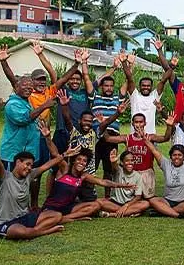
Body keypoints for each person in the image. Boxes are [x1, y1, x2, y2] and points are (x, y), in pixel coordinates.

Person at [0, 71, 56, 209]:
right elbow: (24, 119)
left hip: (27, 152)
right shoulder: (12, 104)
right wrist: (44, 106)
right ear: (16, 87)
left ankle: (26, 208)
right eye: (25, 86)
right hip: (13, 154)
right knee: (10, 184)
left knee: (24, 182)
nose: (28, 88)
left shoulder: (25, 101)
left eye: (30, 87)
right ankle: (7, 214)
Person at [59, 91, 129, 202]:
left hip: (88, 175)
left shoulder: (94, 134)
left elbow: (105, 124)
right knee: (69, 201)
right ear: (79, 121)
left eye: (90, 121)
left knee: (90, 201)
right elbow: (67, 119)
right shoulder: (74, 132)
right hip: (73, 172)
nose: (87, 123)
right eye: (85, 121)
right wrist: (64, 105)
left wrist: (118, 113)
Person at [0, 137, 65, 240]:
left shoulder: (29, 176)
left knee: (57, 215)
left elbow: (46, 166)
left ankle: (34, 232)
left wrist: (64, 155)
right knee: (22, 232)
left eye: (31, 165)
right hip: (6, 222)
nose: (29, 168)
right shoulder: (5, 177)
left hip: (25, 218)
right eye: (27, 164)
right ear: (18, 162)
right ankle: (45, 231)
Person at [43, 146, 135, 223]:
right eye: (79, 159)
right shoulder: (65, 170)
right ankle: (66, 218)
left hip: (68, 208)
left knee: (95, 206)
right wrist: (47, 137)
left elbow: (102, 182)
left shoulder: (84, 176)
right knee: (52, 215)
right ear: (74, 161)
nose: (81, 163)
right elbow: (55, 154)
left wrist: (122, 185)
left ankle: (67, 218)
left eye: (84, 161)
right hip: (52, 207)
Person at [102, 112, 175, 200]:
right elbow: (108, 138)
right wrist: (104, 124)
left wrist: (169, 126)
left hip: (146, 172)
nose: (138, 124)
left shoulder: (150, 137)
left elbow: (165, 138)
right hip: (132, 173)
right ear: (132, 123)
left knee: (148, 198)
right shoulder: (127, 138)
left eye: (141, 122)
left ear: (145, 123)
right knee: (132, 198)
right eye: (136, 122)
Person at [86, 57, 129, 196]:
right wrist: (84, 62)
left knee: (109, 167)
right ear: (102, 87)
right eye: (106, 86)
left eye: (111, 86)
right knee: (92, 166)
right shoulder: (95, 97)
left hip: (112, 137)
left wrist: (130, 65)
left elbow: (128, 81)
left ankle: (107, 196)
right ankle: (88, 194)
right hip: (96, 136)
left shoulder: (118, 99)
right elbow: (87, 78)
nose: (109, 88)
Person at [126, 50, 173, 134]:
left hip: (151, 136)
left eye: (148, 86)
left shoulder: (155, 96)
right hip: (134, 136)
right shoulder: (134, 95)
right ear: (139, 86)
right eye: (143, 85)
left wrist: (172, 66)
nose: (146, 87)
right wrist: (128, 65)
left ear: (151, 87)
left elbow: (163, 80)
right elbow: (129, 78)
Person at [97, 150, 150, 218]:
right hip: (115, 203)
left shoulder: (138, 176)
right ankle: (130, 212)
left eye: (132, 160)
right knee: (98, 202)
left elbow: (138, 197)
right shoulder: (119, 170)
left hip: (129, 204)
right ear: (122, 162)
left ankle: (111, 214)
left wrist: (126, 205)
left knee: (146, 204)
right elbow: (115, 166)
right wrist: (113, 162)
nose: (130, 163)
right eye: (127, 161)